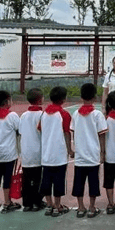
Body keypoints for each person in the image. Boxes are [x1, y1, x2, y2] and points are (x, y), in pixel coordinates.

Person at [72, 83, 108, 218]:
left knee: (78, 183)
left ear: (81, 97)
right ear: (95, 98)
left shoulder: (76, 114)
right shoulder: (97, 115)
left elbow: (73, 132)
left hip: (80, 155)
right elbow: (102, 135)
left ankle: (81, 207)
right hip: (93, 155)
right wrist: (102, 153)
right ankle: (92, 207)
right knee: (93, 183)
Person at [39, 86, 73, 217]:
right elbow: (67, 133)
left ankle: (49, 204)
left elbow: (40, 128)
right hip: (59, 153)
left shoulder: (44, 113)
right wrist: (70, 149)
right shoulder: (64, 114)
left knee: (46, 180)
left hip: (46, 153)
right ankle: (58, 205)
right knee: (58, 181)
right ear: (64, 99)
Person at [0, 90, 22, 214]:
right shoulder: (12, 116)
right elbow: (20, 130)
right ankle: (7, 202)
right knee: (7, 179)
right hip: (9, 153)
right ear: (7, 101)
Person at [19, 88, 45, 212]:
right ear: (40, 100)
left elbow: (20, 131)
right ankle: (37, 202)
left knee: (27, 179)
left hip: (26, 150)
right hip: (38, 151)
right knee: (37, 178)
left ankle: (27, 203)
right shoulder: (42, 115)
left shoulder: (24, 115)